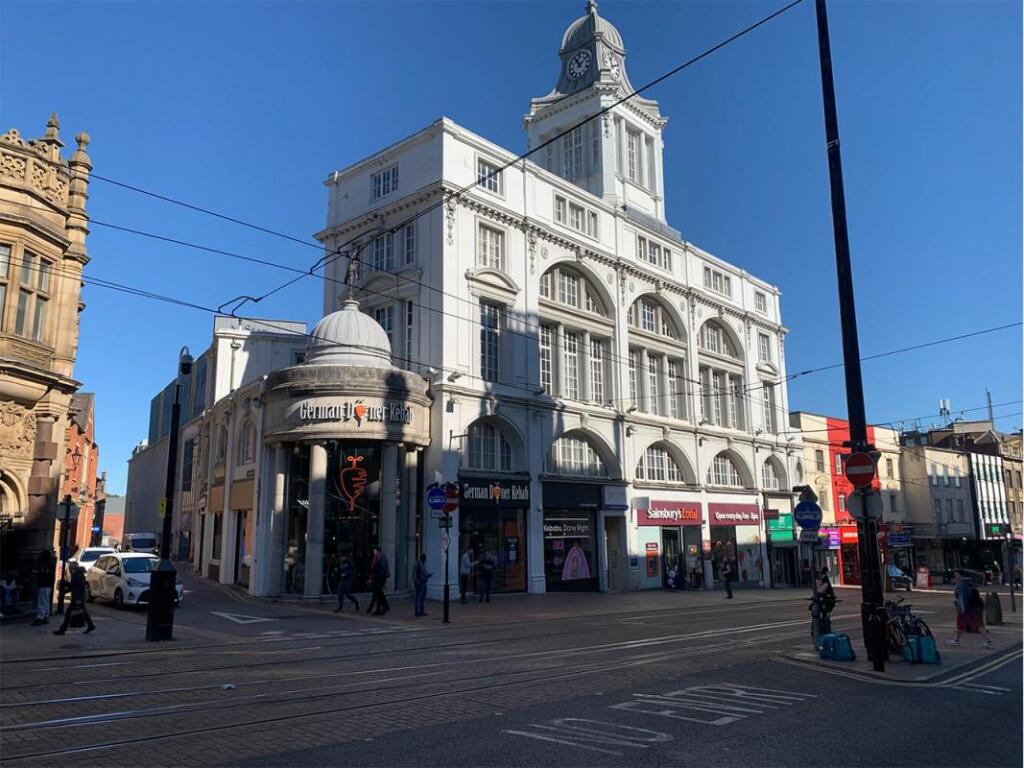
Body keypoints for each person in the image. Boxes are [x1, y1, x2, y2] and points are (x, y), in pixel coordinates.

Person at [948, 569, 993, 649]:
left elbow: (963, 597)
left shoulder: (961, 585)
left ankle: (988, 641)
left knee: (976, 624)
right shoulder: (969, 583)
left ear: (961, 575)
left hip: (965, 609)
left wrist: (964, 609)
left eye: (957, 575)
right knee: (960, 625)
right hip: (969, 607)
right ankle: (956, 640)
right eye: (955, 575)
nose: (956, 577)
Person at [52, 566, 95, 635]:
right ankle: (90, 625)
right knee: (84, 612)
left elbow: (73, 587)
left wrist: (63, 593)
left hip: (76, 598)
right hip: (79, 598)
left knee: (69, 613)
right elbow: (75, 587)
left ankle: (63, 629)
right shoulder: (80, 576)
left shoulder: (76, 576)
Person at [32, 550, 55, 626]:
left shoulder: (45, 564)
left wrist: (38, 572)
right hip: (48, 585)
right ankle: (46, 616)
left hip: (44, 584)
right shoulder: (50, 563)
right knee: (46, 601)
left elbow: (44, 573)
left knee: (42, 601)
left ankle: (40, 617)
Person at [367, 547, 390, 616]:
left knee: (379, 593)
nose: (374, 552)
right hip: (378, 577)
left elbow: (383, 568)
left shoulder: (382, 558)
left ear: (378, 551)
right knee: (378, 593)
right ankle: (380, 608)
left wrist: (378, 575)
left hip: (380, 578)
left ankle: (383, 607)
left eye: (375, 551)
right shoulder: (377, 558)